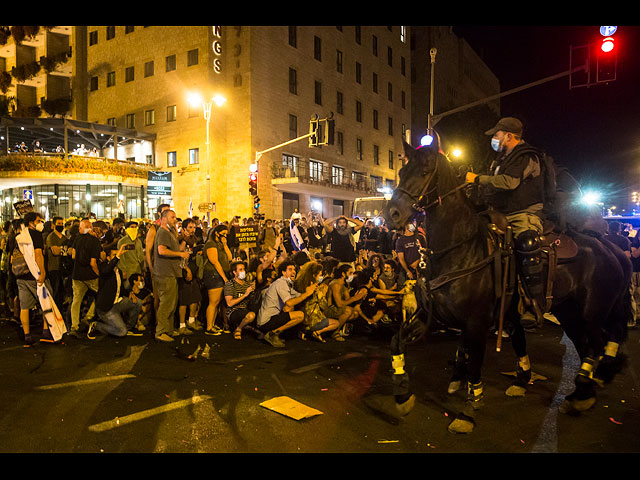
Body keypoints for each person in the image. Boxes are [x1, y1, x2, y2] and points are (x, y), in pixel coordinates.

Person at [466, 116, 548, 314]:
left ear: (509, 136)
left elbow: (510, 182)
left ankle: (532, 302)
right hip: (499, 213)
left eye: (497, 134)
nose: (494, 138)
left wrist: (478, 178)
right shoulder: (501, 159)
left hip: (522, 215)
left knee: (527, 244)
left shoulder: (526, 156)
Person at [13, 212, 56, 346]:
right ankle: (45, 331)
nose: (41, 223)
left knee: (24, 306)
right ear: (31, 222)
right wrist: (42, 273)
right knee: (46, 302)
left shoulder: (19, 237)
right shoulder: (35, 235)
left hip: (21, 276)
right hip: (34, 276)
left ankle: (27, 335)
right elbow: (38, 255)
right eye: (38, 221)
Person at [87, 244, 143, 340]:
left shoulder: (118, 271)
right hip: (106, 308)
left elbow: (120, 289)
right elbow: (107, 270)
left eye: (117, 254)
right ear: (108, 258)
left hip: (117, 303)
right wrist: (117, 256)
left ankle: (129, 327)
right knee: (121, 332)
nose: (118, 256)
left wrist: (130, 293)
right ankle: (97, 325)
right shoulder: (103, 267)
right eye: (114, 255)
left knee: (137, 302)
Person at [257, 260, 316, 347]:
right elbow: (289, 302)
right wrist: (306, 294)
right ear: (283, 272)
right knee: (300, 315)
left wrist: (309, 290)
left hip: (270, 318)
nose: (293, 272)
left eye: (294, 269)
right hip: (266, 321)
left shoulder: (287, 284)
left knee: (291, 310)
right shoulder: (281, 283)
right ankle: (272, 334)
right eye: (290, 269)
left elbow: (297, 295)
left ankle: (271, 333)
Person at [152, 209, 190, 342]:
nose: (175, 219)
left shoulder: (170, 232)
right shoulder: (162, 232)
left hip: (171, 273)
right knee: (166, 303)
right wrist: (180, 255)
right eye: (172, 217)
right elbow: (162, 250)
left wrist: (183, 245)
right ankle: (161, 331)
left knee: (171, 303)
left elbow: (176, 249)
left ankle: (168, 329)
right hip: (165, 273)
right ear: (164, 218)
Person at [69, 219, 103, 337]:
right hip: (90, 275)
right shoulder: (95, 241)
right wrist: (98, 273)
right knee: (100, 294)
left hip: (77, 275)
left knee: (76, 300)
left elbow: (73, 255)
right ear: (91, 227)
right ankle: (88, 316)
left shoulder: (77, 239)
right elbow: (93, 263)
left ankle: (74, 326)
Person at [203, 224, 232, 335]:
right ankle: (209, 327)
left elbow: (229, 257)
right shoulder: (211, 244)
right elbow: (214, 261)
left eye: (226, 234)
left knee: (217, 302)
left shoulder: (220, 244)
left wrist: (225, 245)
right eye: (223, 234)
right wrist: (224, 278)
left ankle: (212, 324)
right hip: (213, 275)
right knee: (213, 302)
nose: (225, 236)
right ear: (216, 233)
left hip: (219, 275)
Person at [177, 218, 202, 333]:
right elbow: (180, 255)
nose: (192, 230)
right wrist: (187, 270)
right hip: (184, 273)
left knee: (194, 298)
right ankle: (182, 325)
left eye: (194, 227)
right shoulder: (182, 240)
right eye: (190, 227)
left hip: (193, 272)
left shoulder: (193, 240)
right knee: (184, 300)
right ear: (184, 228)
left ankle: (191, 321)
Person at [224, 260, 256, 340]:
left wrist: (253, 290)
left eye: (244, 269)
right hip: (234, 311)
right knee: (251, 315)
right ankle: (239, 329)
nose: (243, 271)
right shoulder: (230, 284)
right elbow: (229, 303)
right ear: (234, 272)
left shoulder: (247, 284)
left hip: (245, 309)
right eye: (240, 270)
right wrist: (245, 294)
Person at [45, 216, 69, 310]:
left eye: (61, 223)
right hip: (53, 267)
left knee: (61, 291)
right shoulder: (51, 237)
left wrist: (61, 250)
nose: (61, 225)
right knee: (54, 290)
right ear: (53, 225)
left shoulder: (64, 238)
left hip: (62, 268)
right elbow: (55, 251)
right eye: (59, 224)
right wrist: (64, 250)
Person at [395, 221, 426, 285]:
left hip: (421, 268)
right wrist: (408, 271)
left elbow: (426, 251)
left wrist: (418, 261)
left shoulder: (420, 237)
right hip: (409, 270)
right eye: (411, 224)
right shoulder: (400, 240)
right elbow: (401, 258)